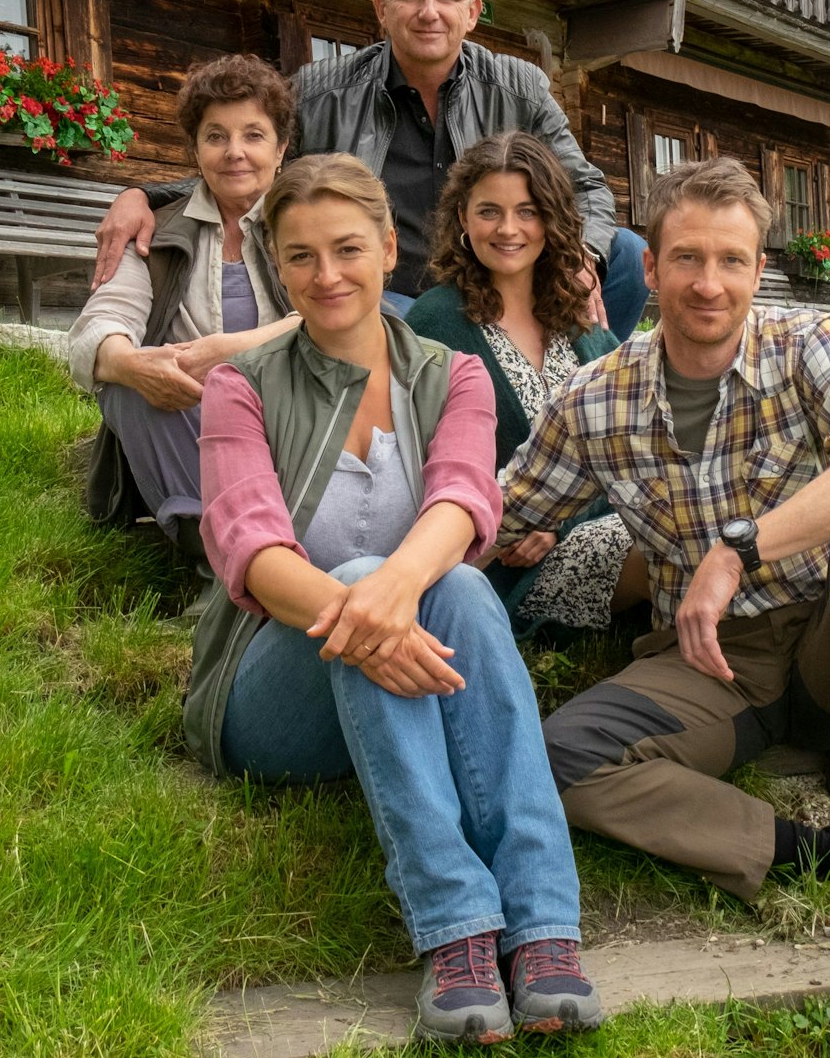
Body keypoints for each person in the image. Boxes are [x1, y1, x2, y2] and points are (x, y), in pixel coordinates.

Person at [499, 158, 830, 1003]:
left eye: (729, 261)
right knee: (560, 758)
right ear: (651, 265)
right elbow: (499, 509)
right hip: (711, 662)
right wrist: (370, 574)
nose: (706, 284)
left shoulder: (811, 343)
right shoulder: (596, 397)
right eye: (685, 258)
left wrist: (737, 549)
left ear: (760, 269)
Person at [181, 153, 605, 1042]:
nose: (326, 275)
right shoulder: (240, 385)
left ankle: (543, 925)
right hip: (270, 696)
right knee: (347, 578)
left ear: (387, 247)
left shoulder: (451, 376)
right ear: (277, 266)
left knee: (452, 576)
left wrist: (393, 597)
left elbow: (463, 502)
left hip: (400, 647)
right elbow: (250, 549)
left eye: (346, 248)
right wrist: (367, 612)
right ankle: (454, 925)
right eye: (300, 257)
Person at [89, 0, 653, 341]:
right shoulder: (320, 91)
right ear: (381, 9)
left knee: (627, 254)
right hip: (390, 293)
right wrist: (142, 193)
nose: (428, 12)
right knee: (410, 323)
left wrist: (584, 256)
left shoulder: (520, 87)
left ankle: (579, 373)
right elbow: (251, 164)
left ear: (473, 12)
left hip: (502, 275)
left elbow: (587, 187)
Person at [68, 53, 302, 573]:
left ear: (282, 148)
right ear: (195, 149)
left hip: (295, 418)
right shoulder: (156, 231)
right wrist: (130, 364)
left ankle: (261, 559)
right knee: (127, 385)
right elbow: (94, 332)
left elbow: (349, 319)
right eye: (215, 136)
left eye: (254, 135)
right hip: (196, 424)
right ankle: (223, 558)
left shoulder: (310, 221)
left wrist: (230, 352)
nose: (234, 152)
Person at [406, 132, 647, 633]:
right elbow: (425, 469)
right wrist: (523, 520)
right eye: (489, 211)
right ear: (463, 221)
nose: (508, 229)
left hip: (592, 522)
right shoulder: (436, 323)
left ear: (551, 219)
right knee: (674, 546)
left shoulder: (574, 313)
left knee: (694, 520)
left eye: (528, 211)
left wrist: (558, 520)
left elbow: (627, 444)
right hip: (505, 562)